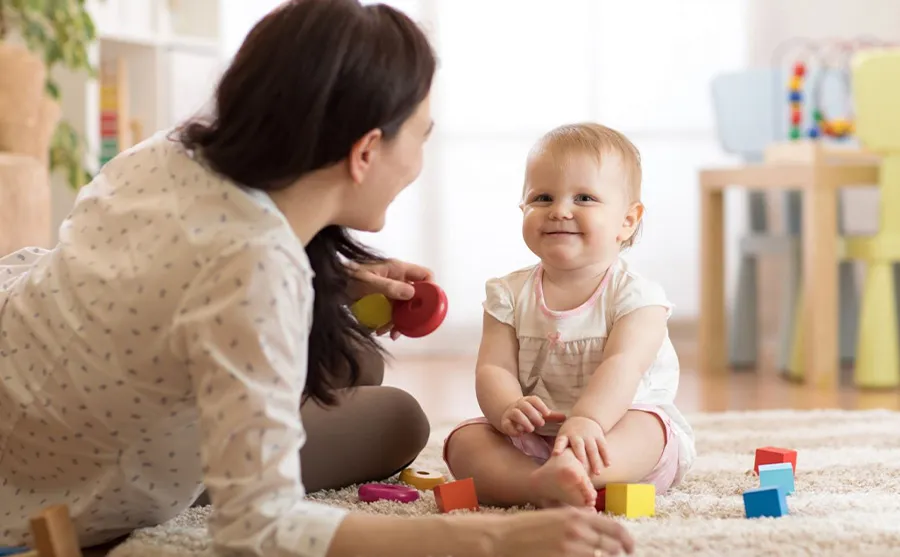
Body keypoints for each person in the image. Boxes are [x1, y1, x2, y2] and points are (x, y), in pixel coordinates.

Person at [0, 1, 635, 556]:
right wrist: (494, 540)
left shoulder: (169, 151)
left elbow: (188, 268)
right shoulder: (256, 276)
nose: (419, 159)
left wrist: (341, 275)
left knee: (356, 356)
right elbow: (258, 530)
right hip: (64, 490)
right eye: (420, 137)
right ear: (365, 152)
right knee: (398, 420)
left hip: (27, 362)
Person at [442, 123, 697, 508]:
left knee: (649, 430)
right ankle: (537, 481)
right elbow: (493, 369)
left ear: (627, 220)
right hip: (535, 438)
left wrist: (589, 420)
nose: (559, 211)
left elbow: (623, 365)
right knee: (464, 441)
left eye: (584, 198)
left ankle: (577, 473)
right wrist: (508, 407)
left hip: (615, 427)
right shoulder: (507, 294)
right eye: (542, 197)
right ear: (523, 208)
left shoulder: (637, 296)